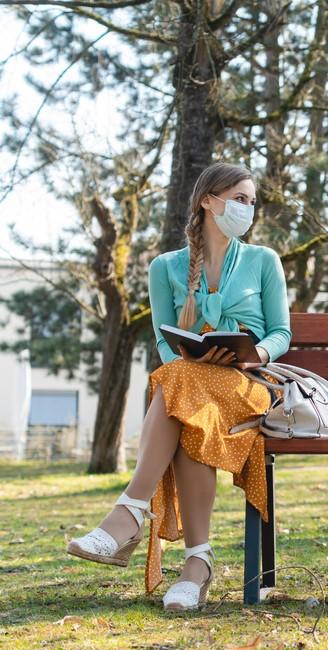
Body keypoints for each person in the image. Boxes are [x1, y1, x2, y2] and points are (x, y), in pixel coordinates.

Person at [67, 163, 291, 611]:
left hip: (248, 383)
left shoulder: (263, 260)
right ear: (208, 201)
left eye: (251, 201)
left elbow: (281, 333)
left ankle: (130, 515)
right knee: (185, 395)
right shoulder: (165, 267)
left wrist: (255, 354)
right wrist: (191, 360)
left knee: (178, 389)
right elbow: (165, 343)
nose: (247, 208)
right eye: (238, 199)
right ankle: (196, 566)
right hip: (191, 383)